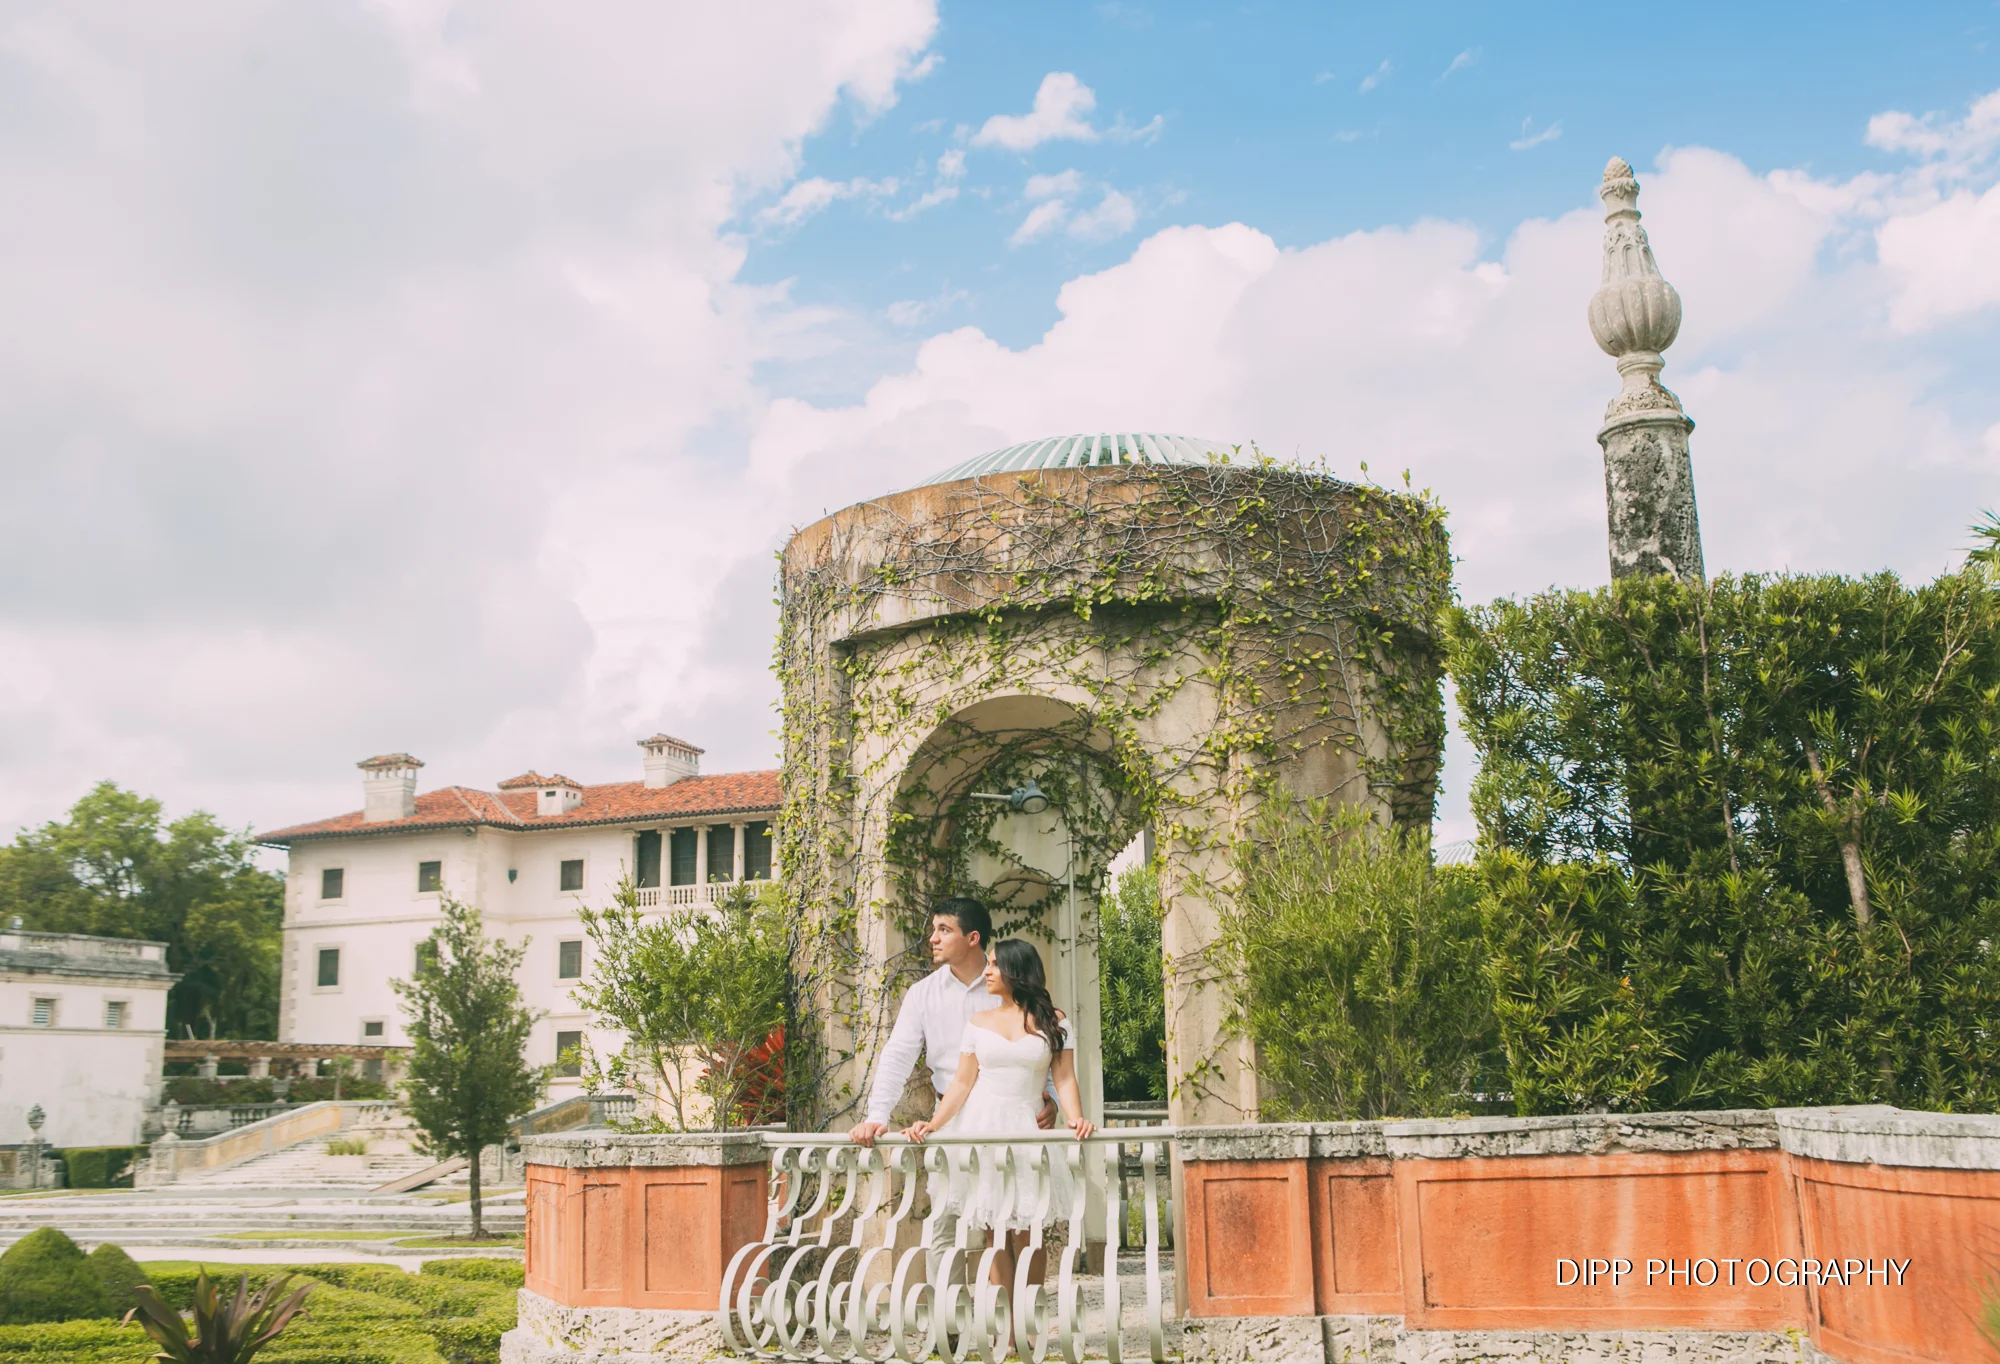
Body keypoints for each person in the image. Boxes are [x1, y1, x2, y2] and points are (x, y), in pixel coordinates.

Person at [847, 898, 1057, 1283]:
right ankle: (948, 1333)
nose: (933, 938)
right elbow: (897, 1057)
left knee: (1017, 1224)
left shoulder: (1010, 988)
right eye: (934, 929)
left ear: (973, 938)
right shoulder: (923, 994)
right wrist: (877, 1115)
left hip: (1013, 1120)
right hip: (953, 1116)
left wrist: (1052, 1100)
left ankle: (1019, 1324)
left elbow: (1042, 1047)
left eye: (943, 930)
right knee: (946, 1226)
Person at [905, 938, 1095, 1293]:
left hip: (1026, 1128)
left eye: (994, 965)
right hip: (982, 1127)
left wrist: (1076, 1118)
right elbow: (962, 1083)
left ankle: (1030, 1320)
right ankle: (1006, 1328)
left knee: (1030, 1230)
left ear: (1016, 971)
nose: (987, 971)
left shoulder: (1054, 1021)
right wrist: (933, 1124)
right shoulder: (978, 1021)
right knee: (994, 1230)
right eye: (988, 963)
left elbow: (1065, 1078)